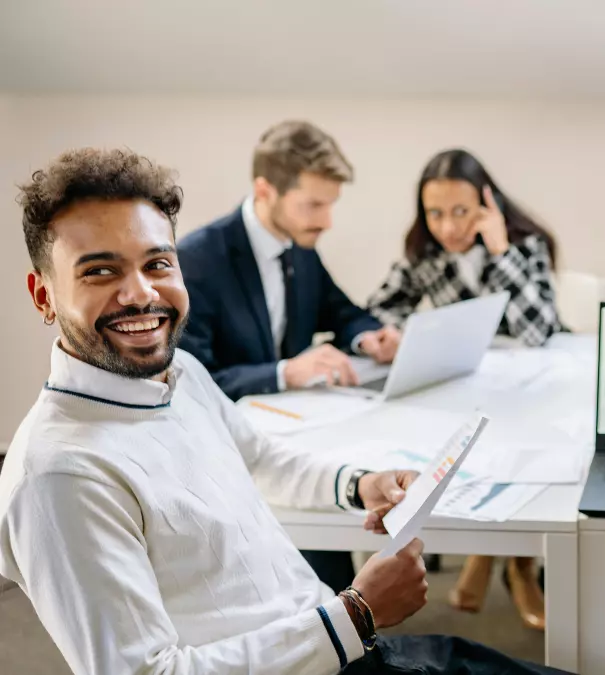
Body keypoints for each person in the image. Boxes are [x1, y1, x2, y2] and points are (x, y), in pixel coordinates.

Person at [0, 148, 568, 675]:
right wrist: (358, 614)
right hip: (336, 645)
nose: (140, 293)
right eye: (100, 271)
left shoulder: (181, 375)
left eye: (157, 263)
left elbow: (261, 460)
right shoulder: (59, 475)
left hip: (337, 645)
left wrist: (359, 484)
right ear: (43, 295)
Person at [178, 120, 399, 592]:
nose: (327, 220)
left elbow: (341, 311)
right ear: (265, 190)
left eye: (330, 204)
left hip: (303, 428)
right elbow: (189, 378)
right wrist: (283, 371)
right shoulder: (198, 259)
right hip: (232, 448)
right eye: (314, 205)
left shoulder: (300, 248)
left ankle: (341, 609)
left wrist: (369, 338)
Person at [367, 149, 563, 631]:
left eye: (461, 211)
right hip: (471, 380)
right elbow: (378, 310)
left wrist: (501, 253)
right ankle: (500, 558)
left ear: (487, 204)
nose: (449, 227)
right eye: (435, 213)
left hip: (533, 383)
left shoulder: (525, 244)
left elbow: (538, 329)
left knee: (523, 443)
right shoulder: (426, 255)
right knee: (460, 438)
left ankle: (504, 561)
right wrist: (391, 334)